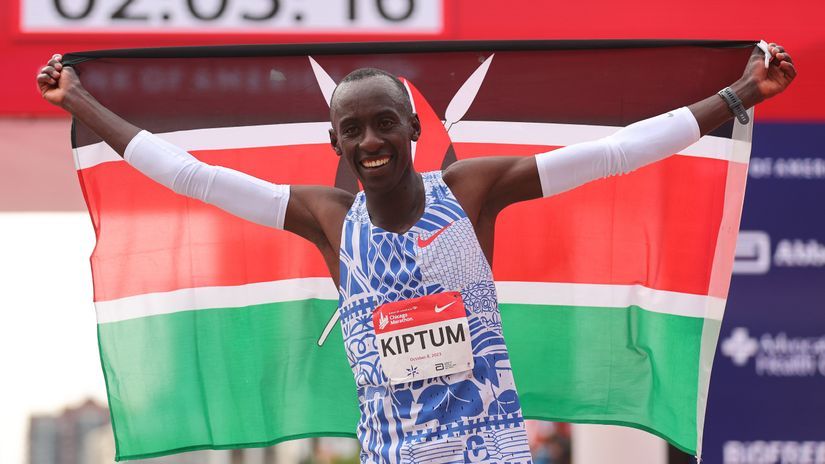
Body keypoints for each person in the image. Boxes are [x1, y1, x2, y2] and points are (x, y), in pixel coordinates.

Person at [37, 43, 795, 464]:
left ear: (411, 129)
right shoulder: (326, 219)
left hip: (491, 451)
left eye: (384, 124)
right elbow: (191, 177)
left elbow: (616, 154)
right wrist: (80, 104)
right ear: (334, 142)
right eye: (353, 129)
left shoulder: (468, 192)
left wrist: (737, 97)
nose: (370, 141)